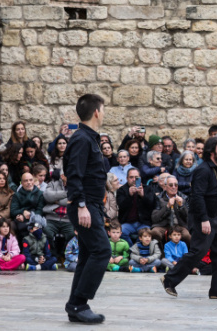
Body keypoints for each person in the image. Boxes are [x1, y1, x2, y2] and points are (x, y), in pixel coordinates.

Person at [161, 135, 217, 300]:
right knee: (198, 252)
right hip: (201, 217)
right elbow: (197, 196)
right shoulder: (203, 170)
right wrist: (203, 219)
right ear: (211, 151)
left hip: (214, 218)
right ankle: (169, 279)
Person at [62, 93, 112, 324]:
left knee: (87, 255)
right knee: (102, 251)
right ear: (96, 112)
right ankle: (80, 302)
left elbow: (87, 171)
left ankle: (75, 305)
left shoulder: (89, 138)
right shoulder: (82, 138)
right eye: (104, 109)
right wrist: (81, 205)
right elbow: (74, 174)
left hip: (91, 204)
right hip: (86, 206)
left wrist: (106, 182)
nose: (104, 113)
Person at [117, 168, 156, 244]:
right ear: (127, 178)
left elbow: (152, 205)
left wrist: (143, 196)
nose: (134, 179)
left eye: (136, 177)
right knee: (122, 232)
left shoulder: (147, 189)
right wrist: (129, 195)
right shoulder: (121, 190)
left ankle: (137, 250)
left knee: (145, 235)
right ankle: (131, 250)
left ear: (140, 178)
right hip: (127, 222)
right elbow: (121, 206)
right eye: (131, 177)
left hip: (143, 222)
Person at [150, 175, 190, 245]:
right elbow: (155, 218)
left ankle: (185, 255)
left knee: (187, 236)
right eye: (171, 185)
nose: (174, 187)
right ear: (165, 187)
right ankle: (161, 254)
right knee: (155, 232)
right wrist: (167, 206)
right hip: (163, 225)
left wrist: (181, 206)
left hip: (179, 225)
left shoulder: (184, 197)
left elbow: (188, 218)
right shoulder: (159, 198)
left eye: (176, 185)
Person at [42, 168, 74, 250]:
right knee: (47, 232)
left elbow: (75, 199)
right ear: (62, 176)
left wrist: (56, 200)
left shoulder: (75, 186)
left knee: (72, 234)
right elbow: (47, 196)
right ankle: (53, 254)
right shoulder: (53, 184)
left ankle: (63, 254)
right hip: (52, 217)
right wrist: (66, 194)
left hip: (68, 219)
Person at [11, 171, 46, 237]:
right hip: (21, 221)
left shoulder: (40, 194)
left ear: (33, 181)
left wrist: (30, 215)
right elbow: (13, 211)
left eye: (30, 180)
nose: (29, 182)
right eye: (26, 181)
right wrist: (22, 212)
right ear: (22, 183)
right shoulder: (17, 195)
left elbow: (40, 210)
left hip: (36, 219)